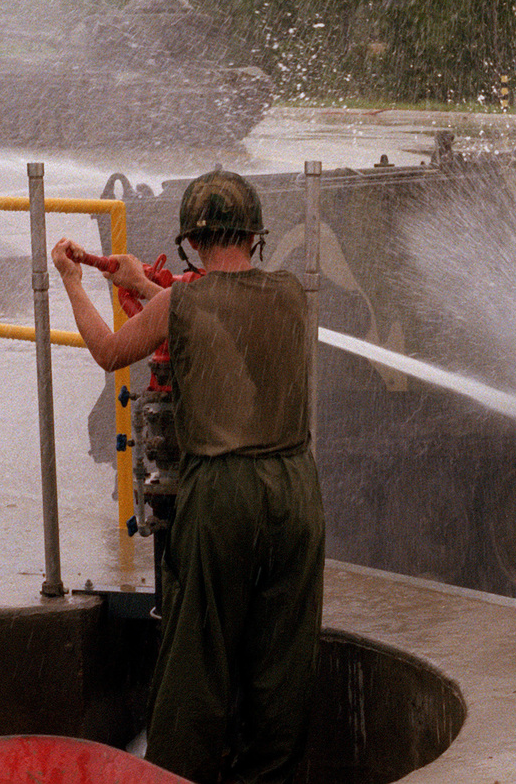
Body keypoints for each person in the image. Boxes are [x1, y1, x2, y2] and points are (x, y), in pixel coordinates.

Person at [52, 170, 323, 784]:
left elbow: (110, 350)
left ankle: (180, 774)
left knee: (197, 663)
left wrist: (74, 281)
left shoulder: (184, 299)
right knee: (283, 663)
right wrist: (141, 283)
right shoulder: (288, 292)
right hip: (297, 490)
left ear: (191, 243)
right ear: (255, 234)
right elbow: (218, 314)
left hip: (224, 493)